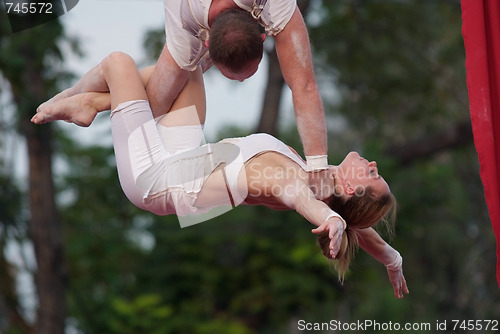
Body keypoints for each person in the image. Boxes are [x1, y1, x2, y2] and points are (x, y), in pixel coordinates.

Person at [32, 52, 409, 298]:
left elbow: (307, 203)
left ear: (347, 187)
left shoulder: (294, 183)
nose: (374, 166)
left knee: (119, 64)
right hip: (184, 157)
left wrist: (329, 220)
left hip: (154, 179)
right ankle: (97, 102)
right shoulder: (318, 177)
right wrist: (392, 258)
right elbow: (358, 225)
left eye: (372, 178)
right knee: (187, 67)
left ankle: (77, 101)